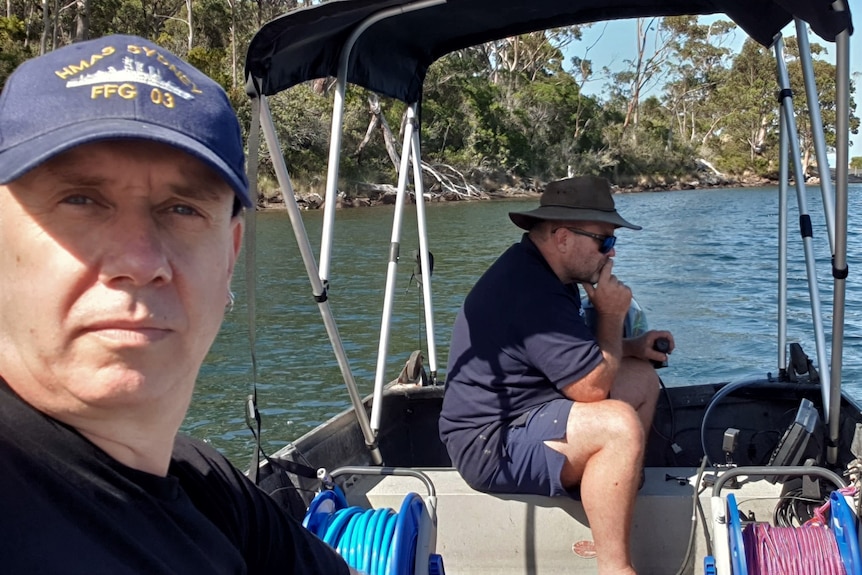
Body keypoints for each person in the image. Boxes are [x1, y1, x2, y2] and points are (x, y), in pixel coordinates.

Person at [0, 35, 351, 574]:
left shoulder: (208, 487)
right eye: (80, 200)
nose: (141, 261)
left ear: (229, 256)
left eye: (182, 209)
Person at [439, 176, 675, 575]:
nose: (610, 255)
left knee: (642, 379)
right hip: (491, 442)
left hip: (532, 410)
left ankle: (608, 501)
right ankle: (616, 568)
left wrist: (632, 347)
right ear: (563, 237)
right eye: (605, 241)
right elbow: (591, 388)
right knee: (617, 426)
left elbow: (575, 359)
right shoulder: (530, 290)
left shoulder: (550, 275)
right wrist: (611, 314)